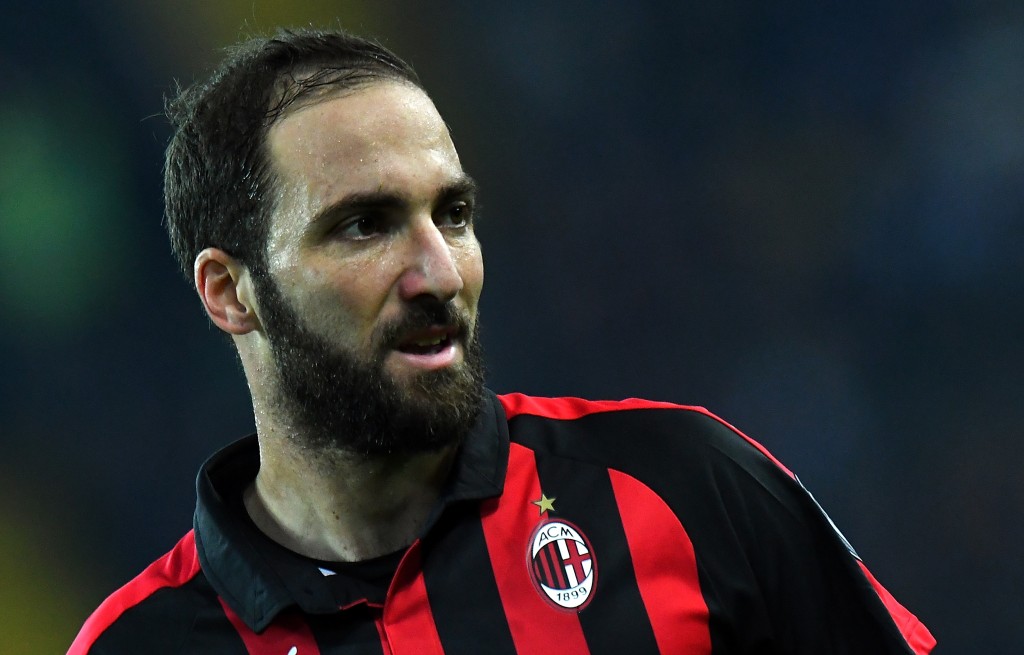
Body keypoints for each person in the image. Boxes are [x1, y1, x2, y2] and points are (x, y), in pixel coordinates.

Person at [69, 28, 935, 654]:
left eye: (453, 214)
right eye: (365, 225)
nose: (439, 272)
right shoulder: (138, 640)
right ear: (231, 292)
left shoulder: (682, 491)